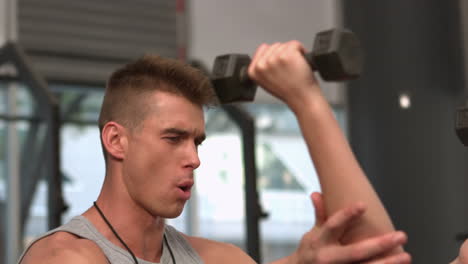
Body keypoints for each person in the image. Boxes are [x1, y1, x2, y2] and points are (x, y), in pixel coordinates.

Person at [18, 41, 411, 264]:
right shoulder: (66, 257)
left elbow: (375, 252)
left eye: (197, 141)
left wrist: (307, 100)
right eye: (173, 138)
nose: (193, 158)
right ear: (116, 141)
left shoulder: (211, 257)